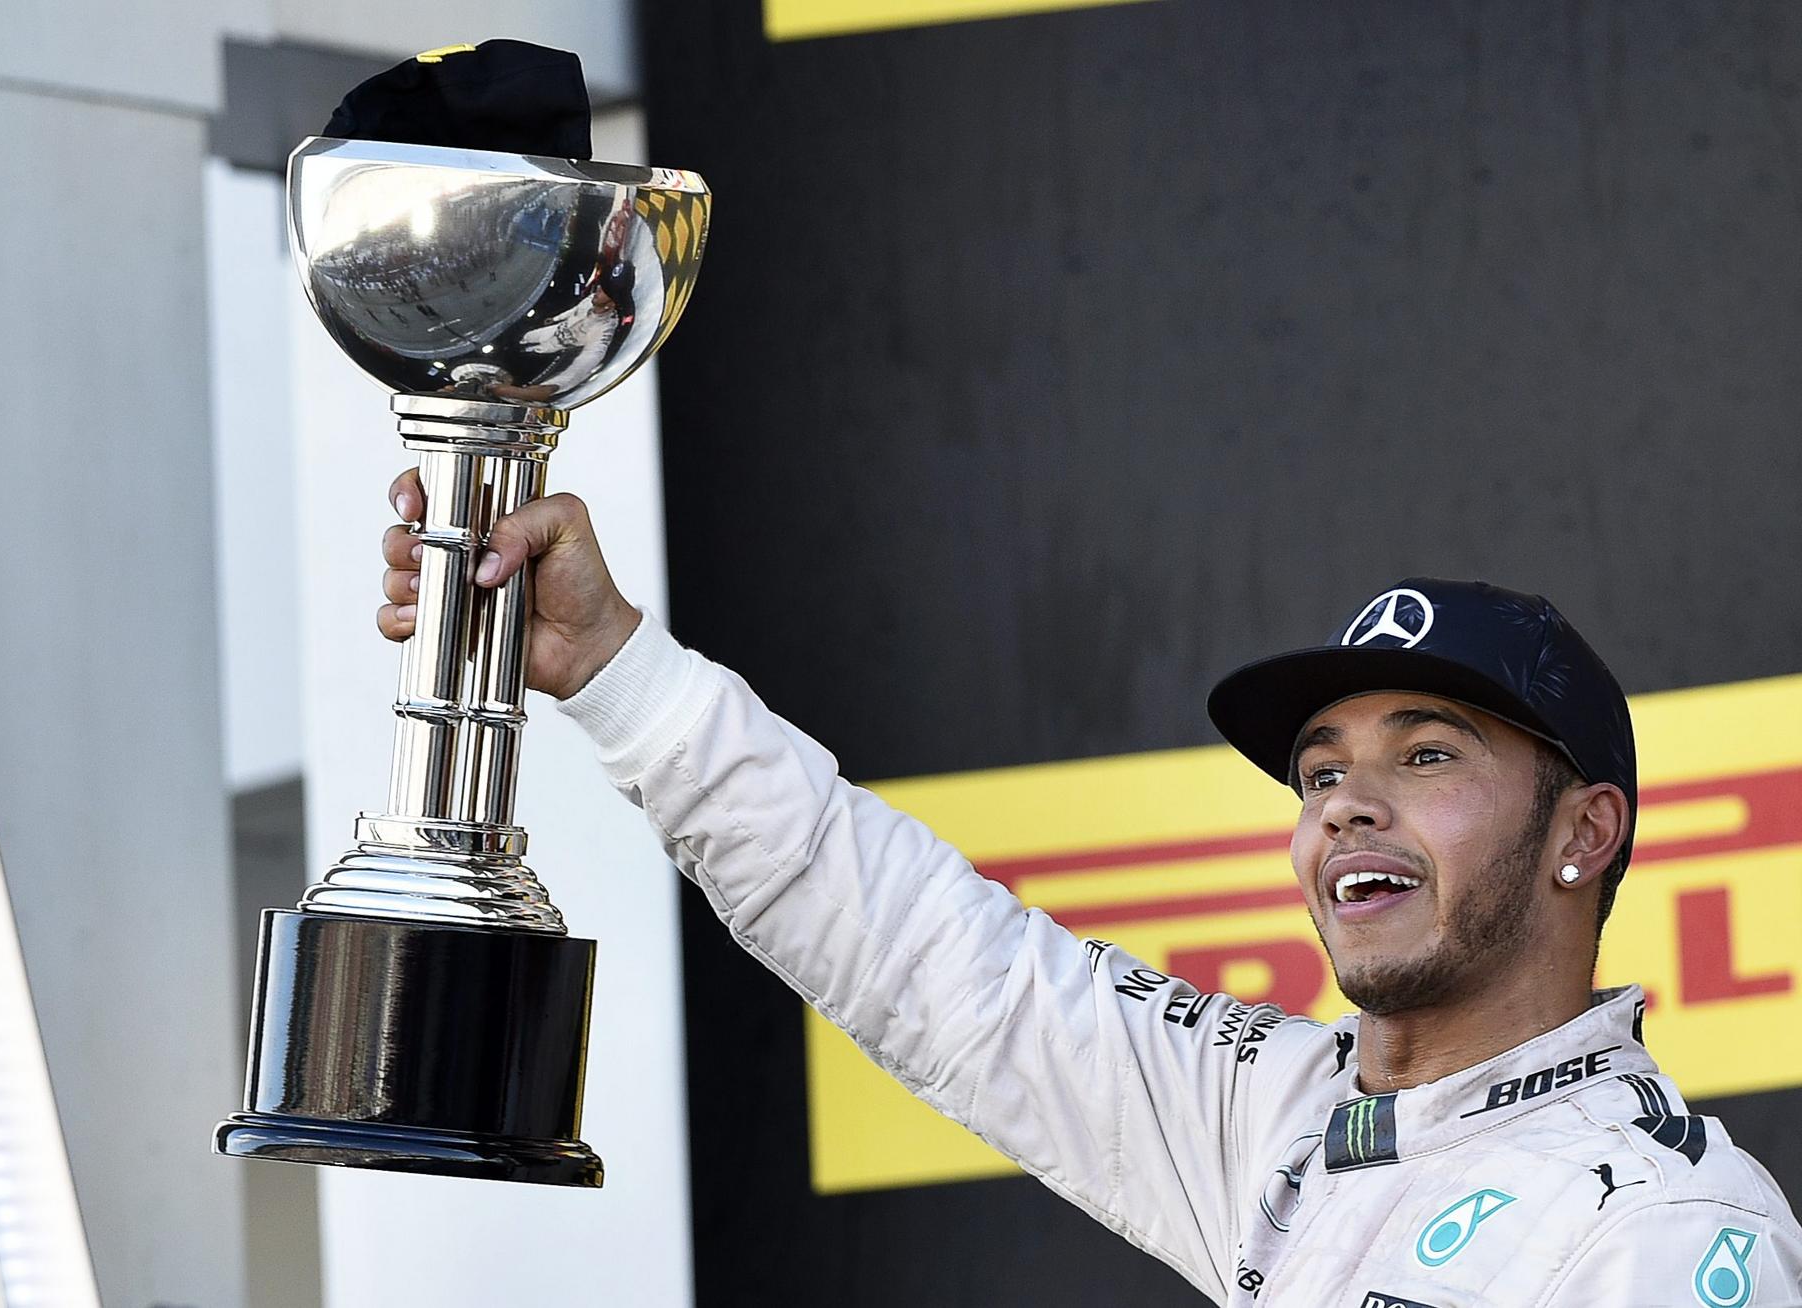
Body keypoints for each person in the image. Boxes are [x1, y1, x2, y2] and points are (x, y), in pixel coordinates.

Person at [378, 476, 1802, 1307]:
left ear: (1585, 833)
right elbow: (920, 947)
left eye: (1428, 754)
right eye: (1319, 772)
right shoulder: (1279, 1110)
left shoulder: (1671, 1234)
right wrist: (616, 667)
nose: (1348, 802)